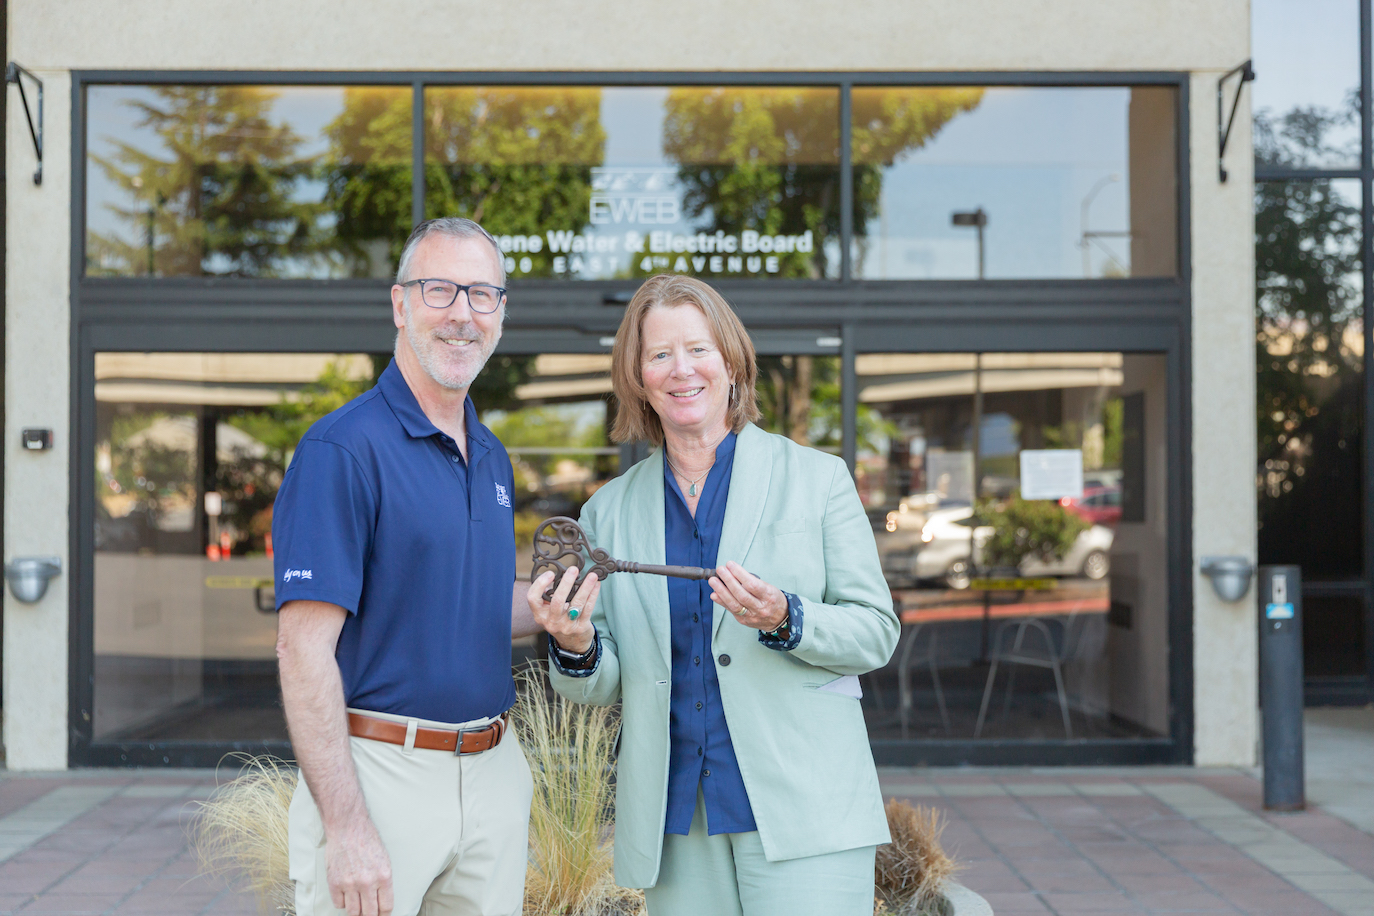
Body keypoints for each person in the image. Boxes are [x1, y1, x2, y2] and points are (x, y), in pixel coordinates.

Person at [529, 274, 899, 916]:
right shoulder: (608, 512)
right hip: (677, 817)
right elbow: (599, 684)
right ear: (638, 377)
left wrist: (786, 618)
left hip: (803, 805)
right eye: (659, 354)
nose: (681, 370)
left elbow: (874, 633)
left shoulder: (816, 479)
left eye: (698, 348)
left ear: (731, 361)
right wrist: (576, 644)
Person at [273, 217, 599, 916]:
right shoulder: (343, 449)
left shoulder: (491, 454)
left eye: (482, 295)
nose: (462, 314)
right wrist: (347, 824)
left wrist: (554, 605)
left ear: (502, 315)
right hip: (380, 774)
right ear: (400, 304)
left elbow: (471, 606)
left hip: (493, 774)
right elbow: (302, 650)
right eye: (441, 290)